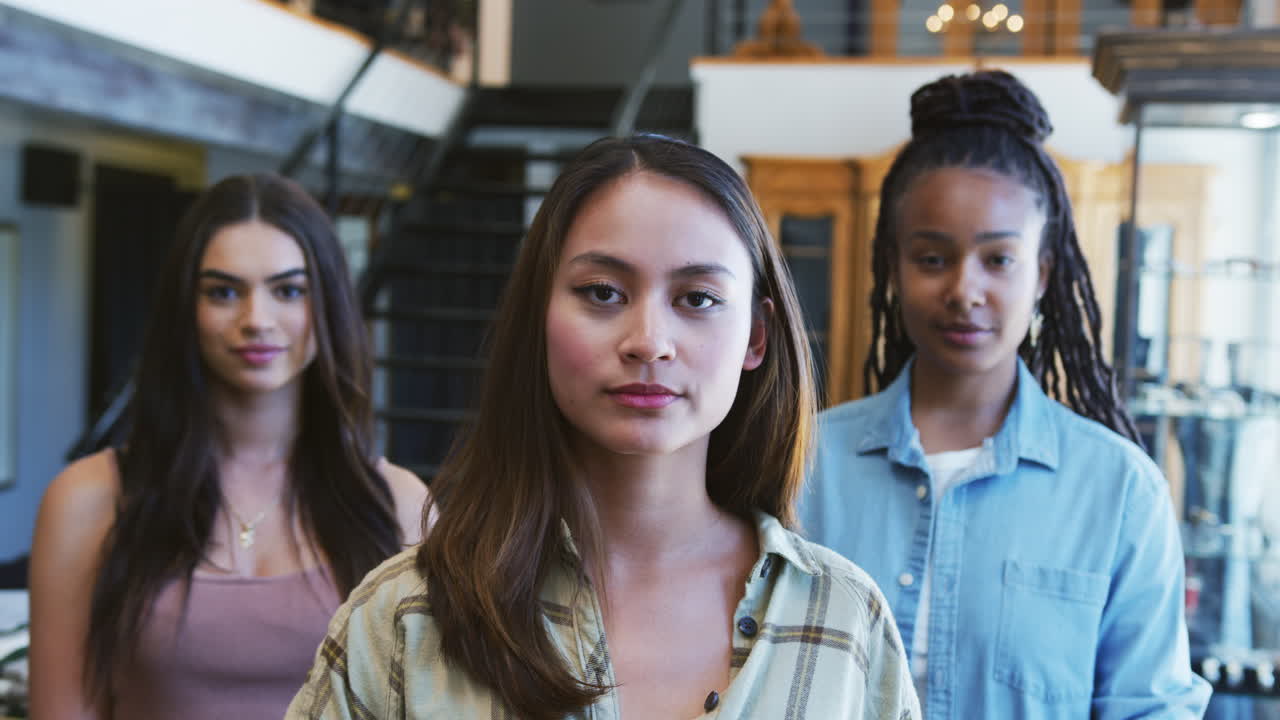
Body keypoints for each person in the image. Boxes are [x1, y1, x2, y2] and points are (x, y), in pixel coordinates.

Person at [285, 135, 920, 720]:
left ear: (756, 335)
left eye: (697, 298)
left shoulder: (843, 619)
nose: (648, 342)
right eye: (602, 292)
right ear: (539, 314)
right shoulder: (406, 617)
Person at [799, 70, 1212, 719]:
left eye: (999, 259)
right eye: (932, 258)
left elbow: (1148, 709)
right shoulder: (806, 464)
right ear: (894, 267)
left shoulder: (1119, 489)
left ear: (1043, 272)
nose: (965, 290)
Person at [28, 173, 428, 720]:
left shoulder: (401, 506)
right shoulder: (86, 500)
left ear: (327, 304)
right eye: (223, 291)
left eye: (288, 290)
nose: (256, 320)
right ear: (185, 310)